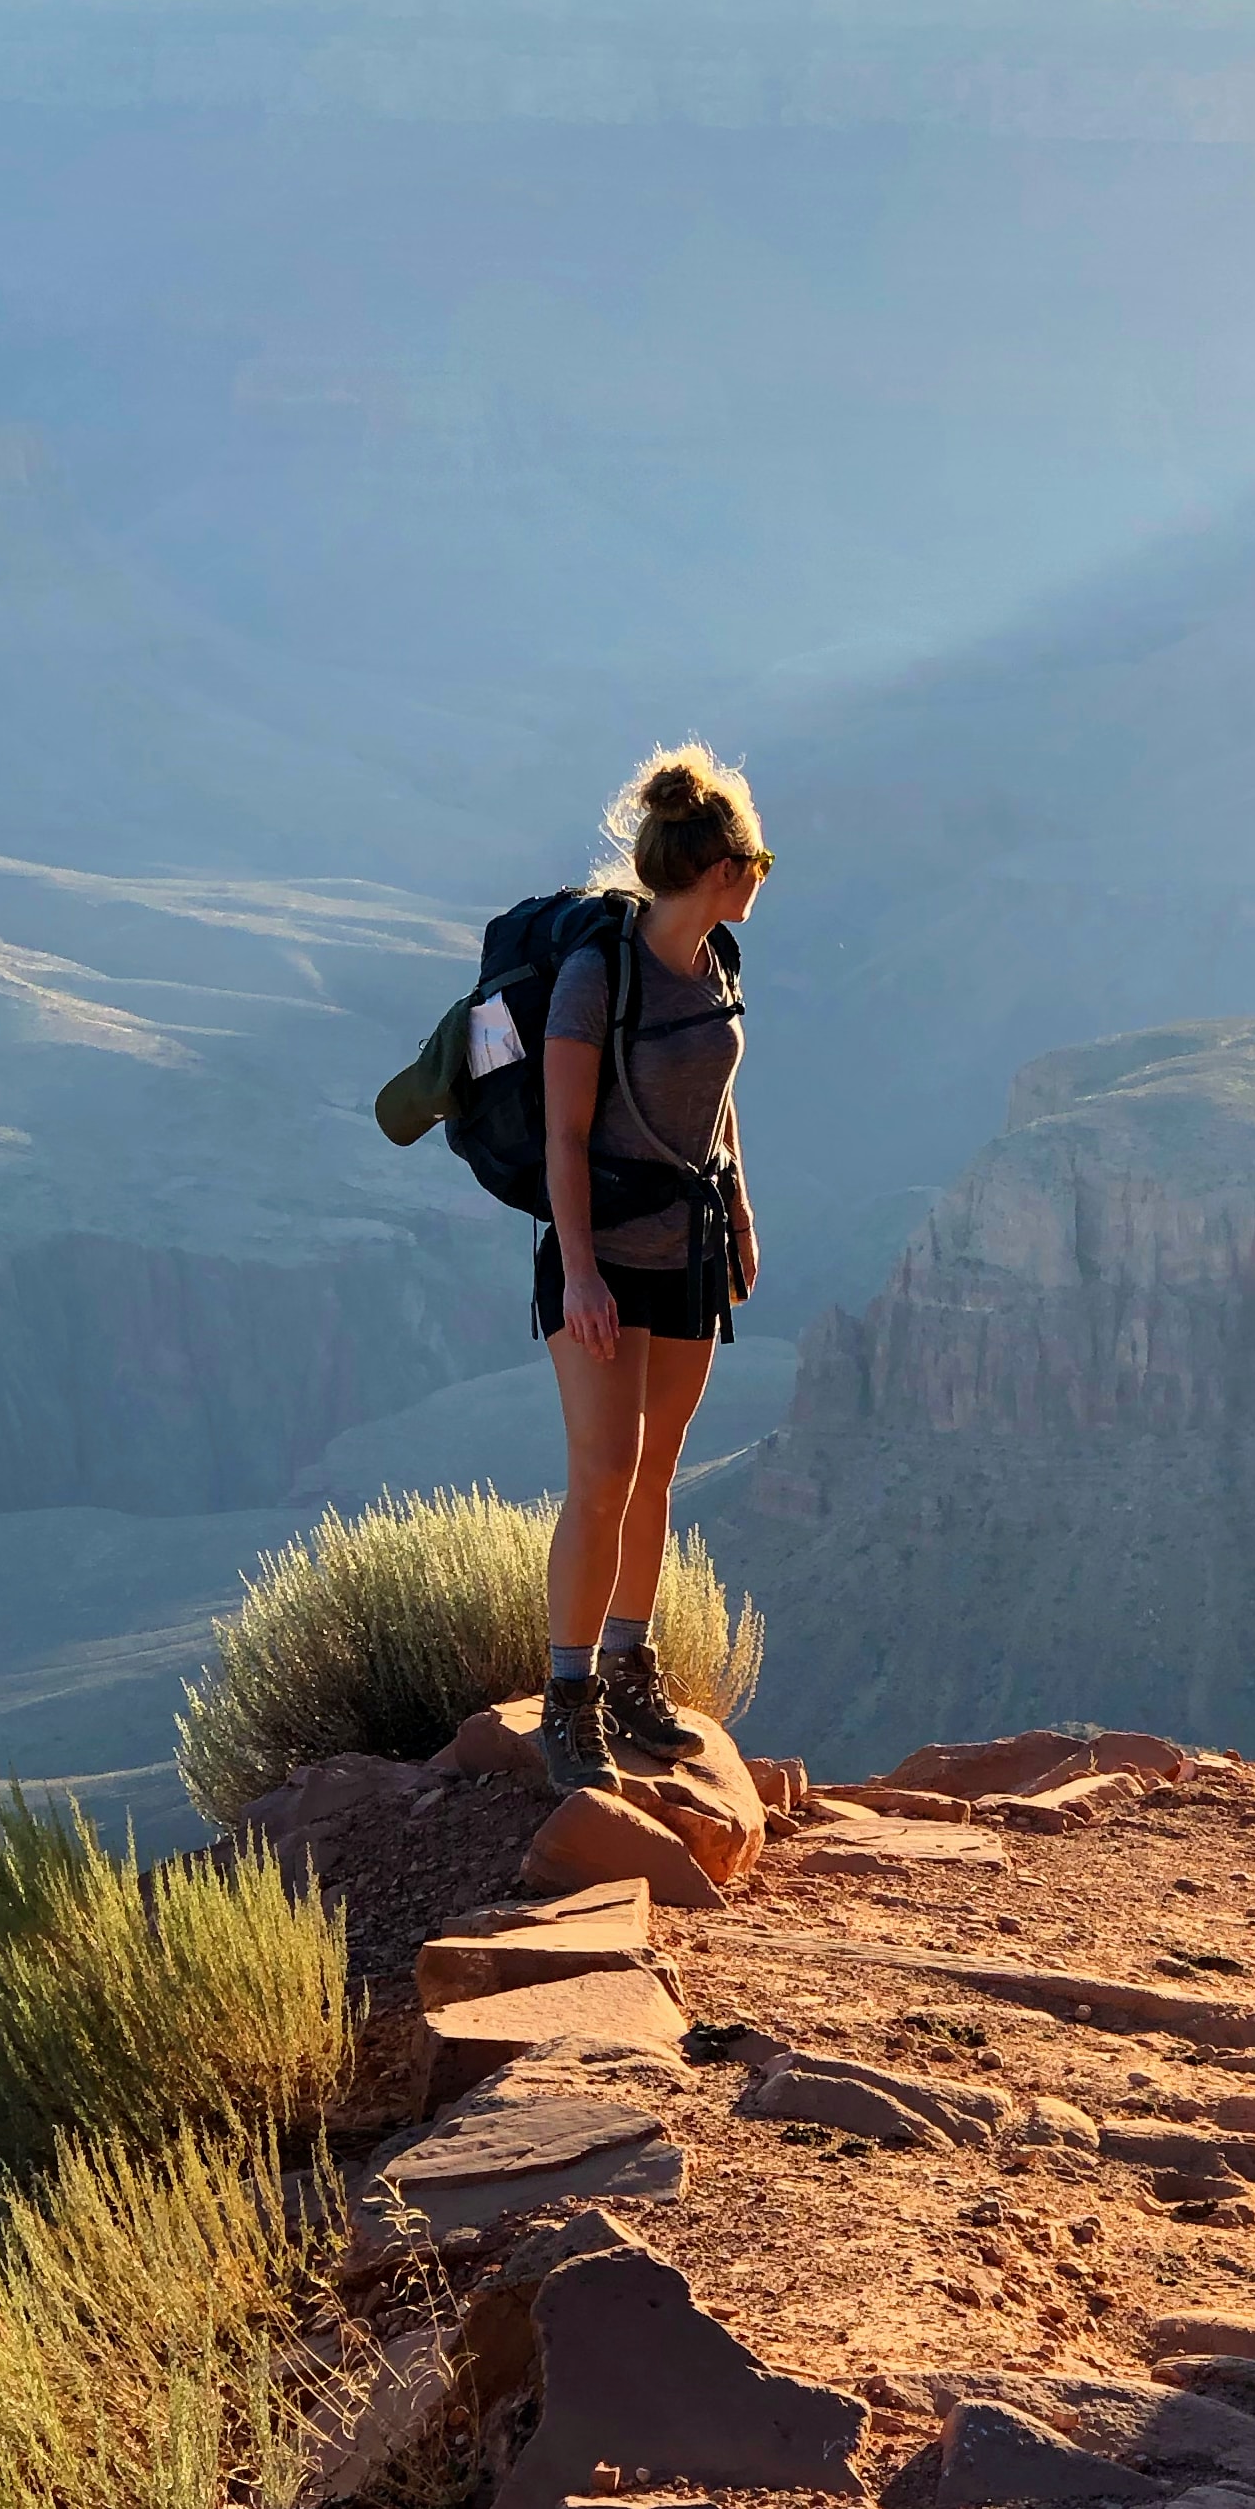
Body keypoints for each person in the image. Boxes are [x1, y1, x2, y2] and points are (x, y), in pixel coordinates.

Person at [536, 745, 769, 1793]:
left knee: (659, 1466)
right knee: (601, 1478)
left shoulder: (717, 962)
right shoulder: (600, 977)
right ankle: (568, 1698)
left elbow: (716, 1101)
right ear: (719, 872)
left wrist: (743, 1210)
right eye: (752, 866)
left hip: (691, 1247)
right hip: (603, 1258)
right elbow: (562, 1140)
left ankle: (632, 1667)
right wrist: (581, 1275)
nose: (758, 884)